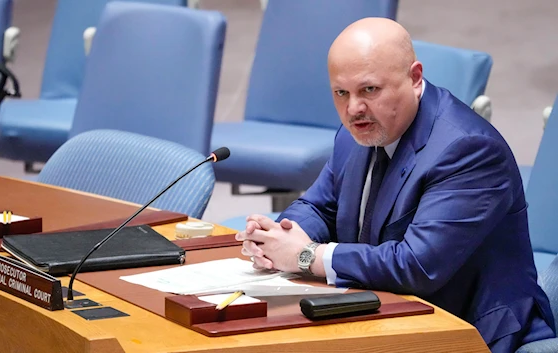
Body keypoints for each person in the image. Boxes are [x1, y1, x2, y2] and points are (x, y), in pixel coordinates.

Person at [235, 17, 556, 352]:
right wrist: (278, 236)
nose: (353, 108)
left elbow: (416, 265)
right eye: (341, 93)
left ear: (415, 78)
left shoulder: (468, 149)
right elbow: (319, 205)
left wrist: (306, 256)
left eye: (369, 90)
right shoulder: (356, 131)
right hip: (383, 314)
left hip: (467, 331)